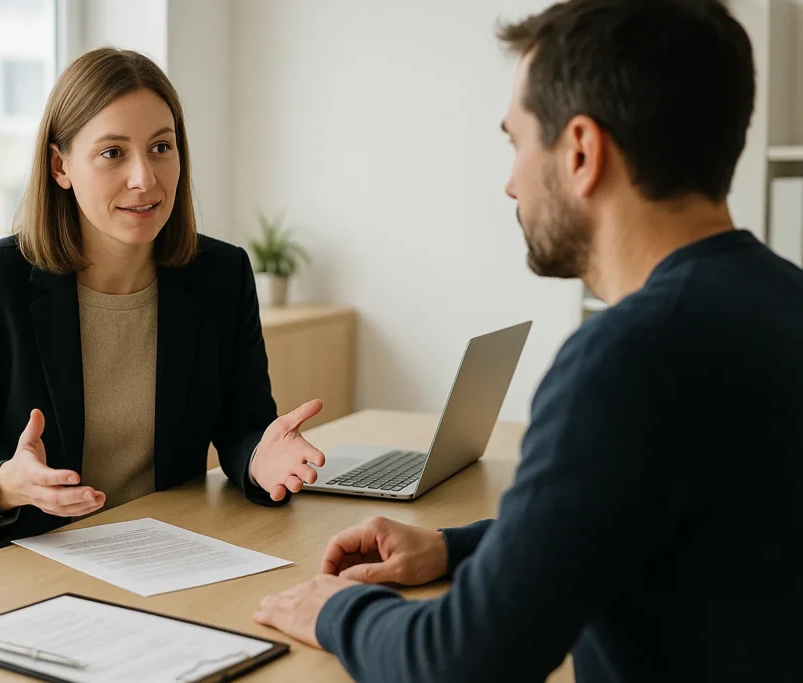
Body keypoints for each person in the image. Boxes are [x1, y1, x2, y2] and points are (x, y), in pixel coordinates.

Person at [253, 1, 803, 680]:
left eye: (516, 142)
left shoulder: (629, 357)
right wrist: (454, 550)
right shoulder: (781, 303)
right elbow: (639, 524)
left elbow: (463, 660)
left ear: (580, 151)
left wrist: (335, 608)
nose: (510, 181)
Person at [0, 48, 326, 580]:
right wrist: (8, 484)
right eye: (112, 153)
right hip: (9, 567)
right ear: (61, 166)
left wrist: (258, 461)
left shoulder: (221, 275)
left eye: (160, 147)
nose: (145, 178)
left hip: (154, 559)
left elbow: (244, 426)